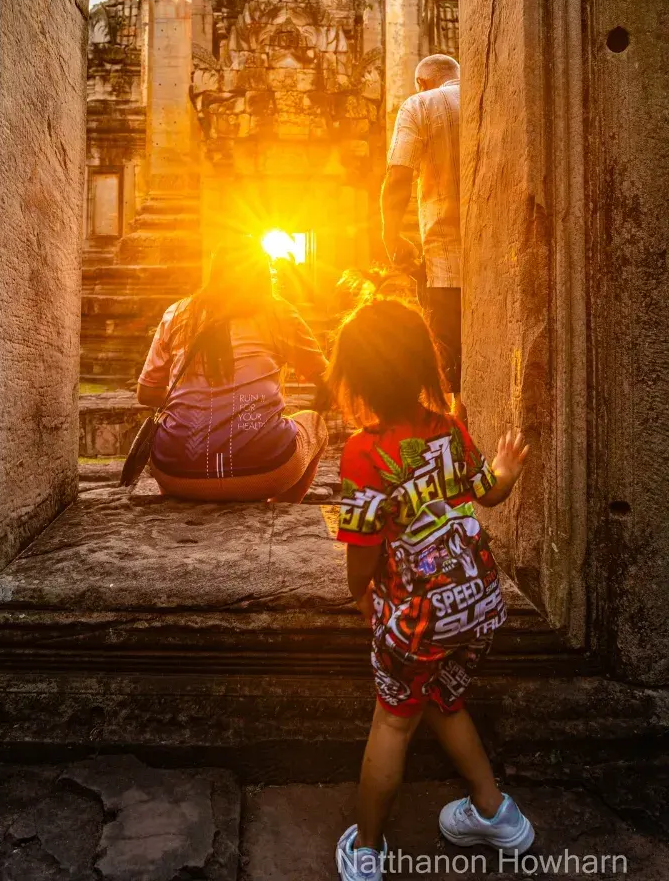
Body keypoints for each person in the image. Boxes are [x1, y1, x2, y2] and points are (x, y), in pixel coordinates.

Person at [327, 297, 533, 881]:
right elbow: (487, 492)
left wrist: (363, 598)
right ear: (424, 363)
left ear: (355, 377)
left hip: (421, 617)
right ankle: (495, 812)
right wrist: (506, 470)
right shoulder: (449, 429)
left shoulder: (363, 452)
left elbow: (362, 553)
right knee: (442, 698)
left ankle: (366, 849)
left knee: (394, 722)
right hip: (482, 601)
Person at [136, 235, 329, 501]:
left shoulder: (178, 313)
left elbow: (146, 393)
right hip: (267, 473)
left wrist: (195, 400)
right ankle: (278, 512)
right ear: (263, 272)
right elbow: (327, 379)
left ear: (215, 271)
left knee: (180, 443)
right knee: (315, 424)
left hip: (175, 474)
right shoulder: (279, 314)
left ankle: (185, 502)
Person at [381, 53, 464, 420]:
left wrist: (390, 235)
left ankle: (456, 429)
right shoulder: (491, 95)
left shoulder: (421, 104)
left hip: (447, 263)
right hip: (503, 260)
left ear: (422, 83)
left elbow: (399, 176)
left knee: (451, 367)